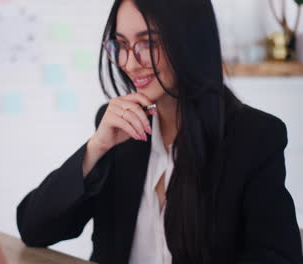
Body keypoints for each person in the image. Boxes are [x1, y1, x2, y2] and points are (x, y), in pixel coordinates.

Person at [16, 0, 303, 263]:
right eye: (121, 45)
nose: (129, 63)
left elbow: (279, 257)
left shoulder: (254, 137)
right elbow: (34, 228)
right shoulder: (119, 128)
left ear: (189, 41)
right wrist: (96, 149)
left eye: (148, 43)